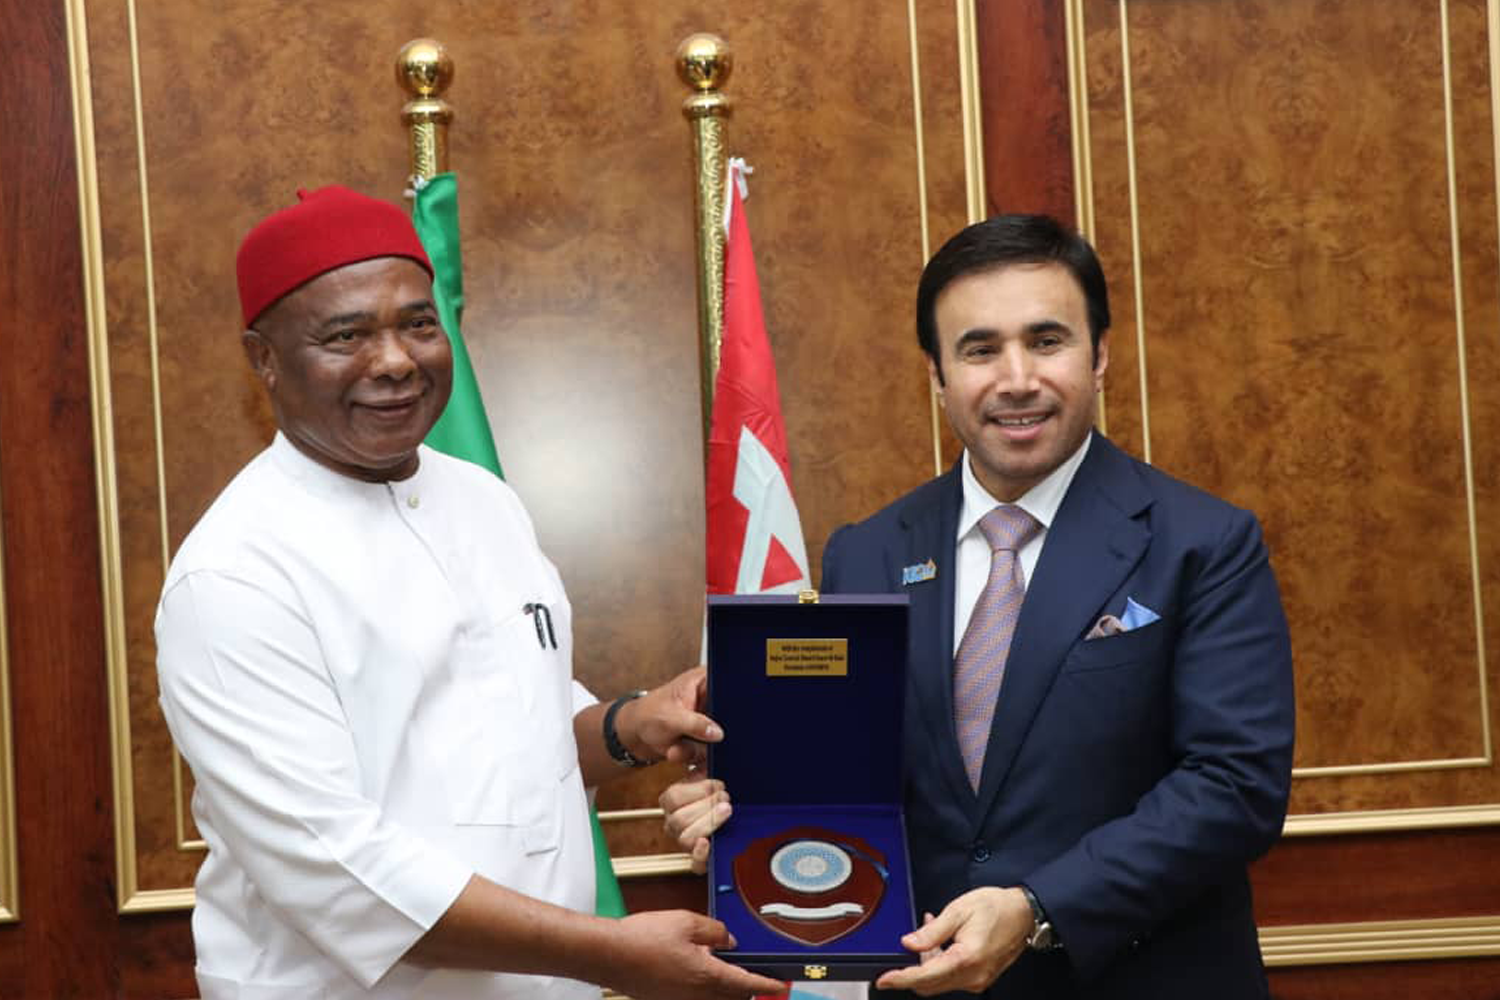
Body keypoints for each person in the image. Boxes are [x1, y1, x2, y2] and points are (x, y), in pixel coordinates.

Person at [155, 185, 785, 1000]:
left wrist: (632, 724)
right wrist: (608, 953)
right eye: (346, 335)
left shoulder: (483, 499)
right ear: (264, 358)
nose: (395, 360)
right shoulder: (235, 572)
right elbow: (334, 867)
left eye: (419, 324)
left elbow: (517, 737)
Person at [662, 214, 1295, 998]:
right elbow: (851, 775)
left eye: (1047, 340)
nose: (1017, 378)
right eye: (980, 349)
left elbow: (1235, 785)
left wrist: (1037, 907)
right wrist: (744, 811)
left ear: (1099, 355)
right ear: (937, 375)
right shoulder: (868, 552)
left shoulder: (1204, 542)